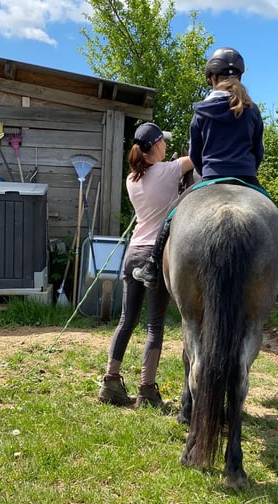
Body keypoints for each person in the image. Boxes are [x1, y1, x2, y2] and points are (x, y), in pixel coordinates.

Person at [132, 47, 278, 297]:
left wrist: (207, 172)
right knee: (274, 219)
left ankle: (152, 265)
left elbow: (197, 156)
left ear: (212, 79)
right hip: (246, 177)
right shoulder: (252, 110)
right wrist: (247, 173)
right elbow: (258, 152)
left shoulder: (200, 112)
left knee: (171, 217)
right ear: (239, 77)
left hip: (210, 177)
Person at [97, 122, 195, 408]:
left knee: (127, 321)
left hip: (132, 254)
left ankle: (110, 381)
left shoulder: (132, 179)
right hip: (155, 256)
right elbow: (199, 158)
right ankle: (147, 389)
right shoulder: (169, 170)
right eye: (162, 142)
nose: (166, 145)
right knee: (154, 326)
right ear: (155, 146)